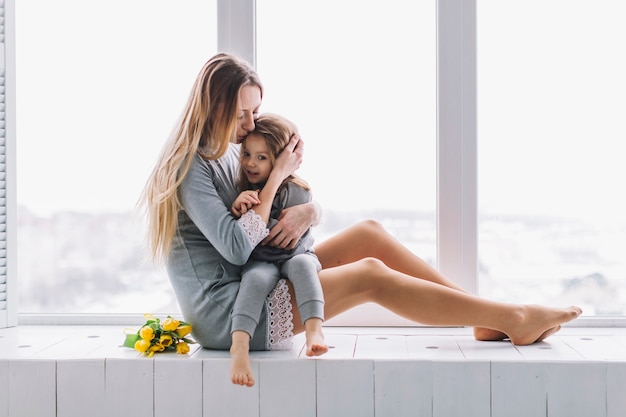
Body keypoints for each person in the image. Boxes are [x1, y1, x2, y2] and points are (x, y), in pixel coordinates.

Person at [140, 52, 582, 387]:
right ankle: (515, 317)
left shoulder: (228, 150)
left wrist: (310, 211)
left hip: (259, 273)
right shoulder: (189, 167)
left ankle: (486, 319)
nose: (251, 122)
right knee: (370, 275)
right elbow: (236, 246)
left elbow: (271, 215)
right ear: (214, 108)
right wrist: (276, 177)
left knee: (369, 234)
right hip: (231, 312)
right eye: (242, 113)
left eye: (255, 111)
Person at [229, 113, 327, 385]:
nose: (250, 163)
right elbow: (241, 236)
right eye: (247, 154)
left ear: (280, 161)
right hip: (261, 261)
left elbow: (273, 231)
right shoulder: (244, 188)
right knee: (254, 279)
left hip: (295, 254)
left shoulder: (294, 190)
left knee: (303, 267)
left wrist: (250, 215)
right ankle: (239, 345)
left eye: (261, 157)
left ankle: (314, 329)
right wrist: (238, 207)